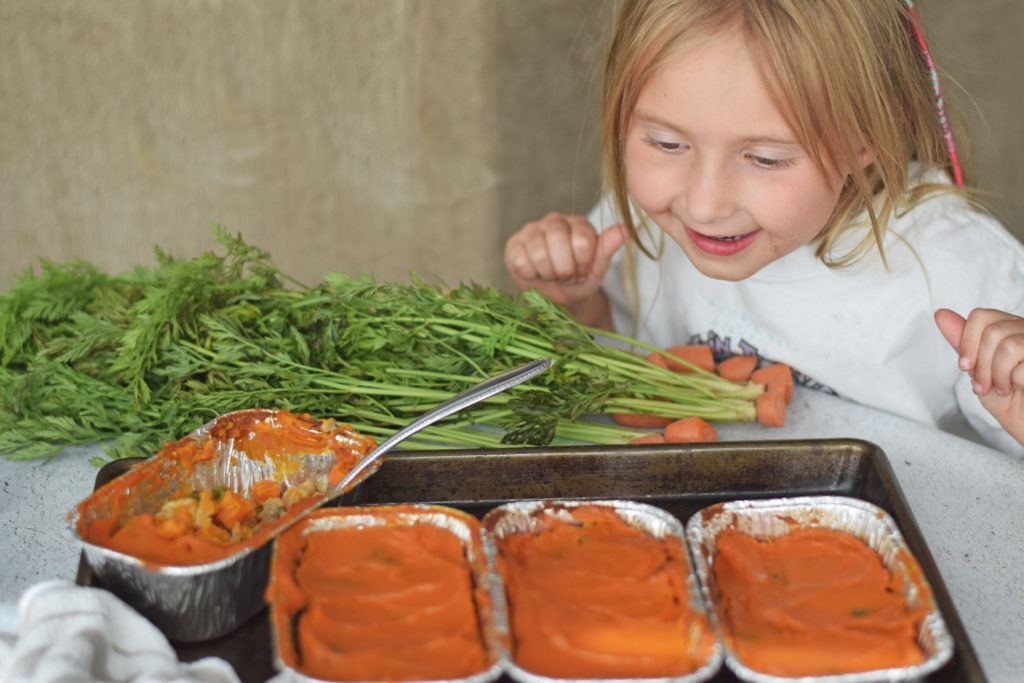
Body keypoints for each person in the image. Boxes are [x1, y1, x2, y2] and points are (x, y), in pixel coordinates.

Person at [503, 0, 1024, 454]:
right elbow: (610, 372)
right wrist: (573, 302)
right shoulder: (640, 220)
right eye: (667, 144)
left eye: (766, 159)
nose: (703, 205)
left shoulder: (963, 272)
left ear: (865, 139)